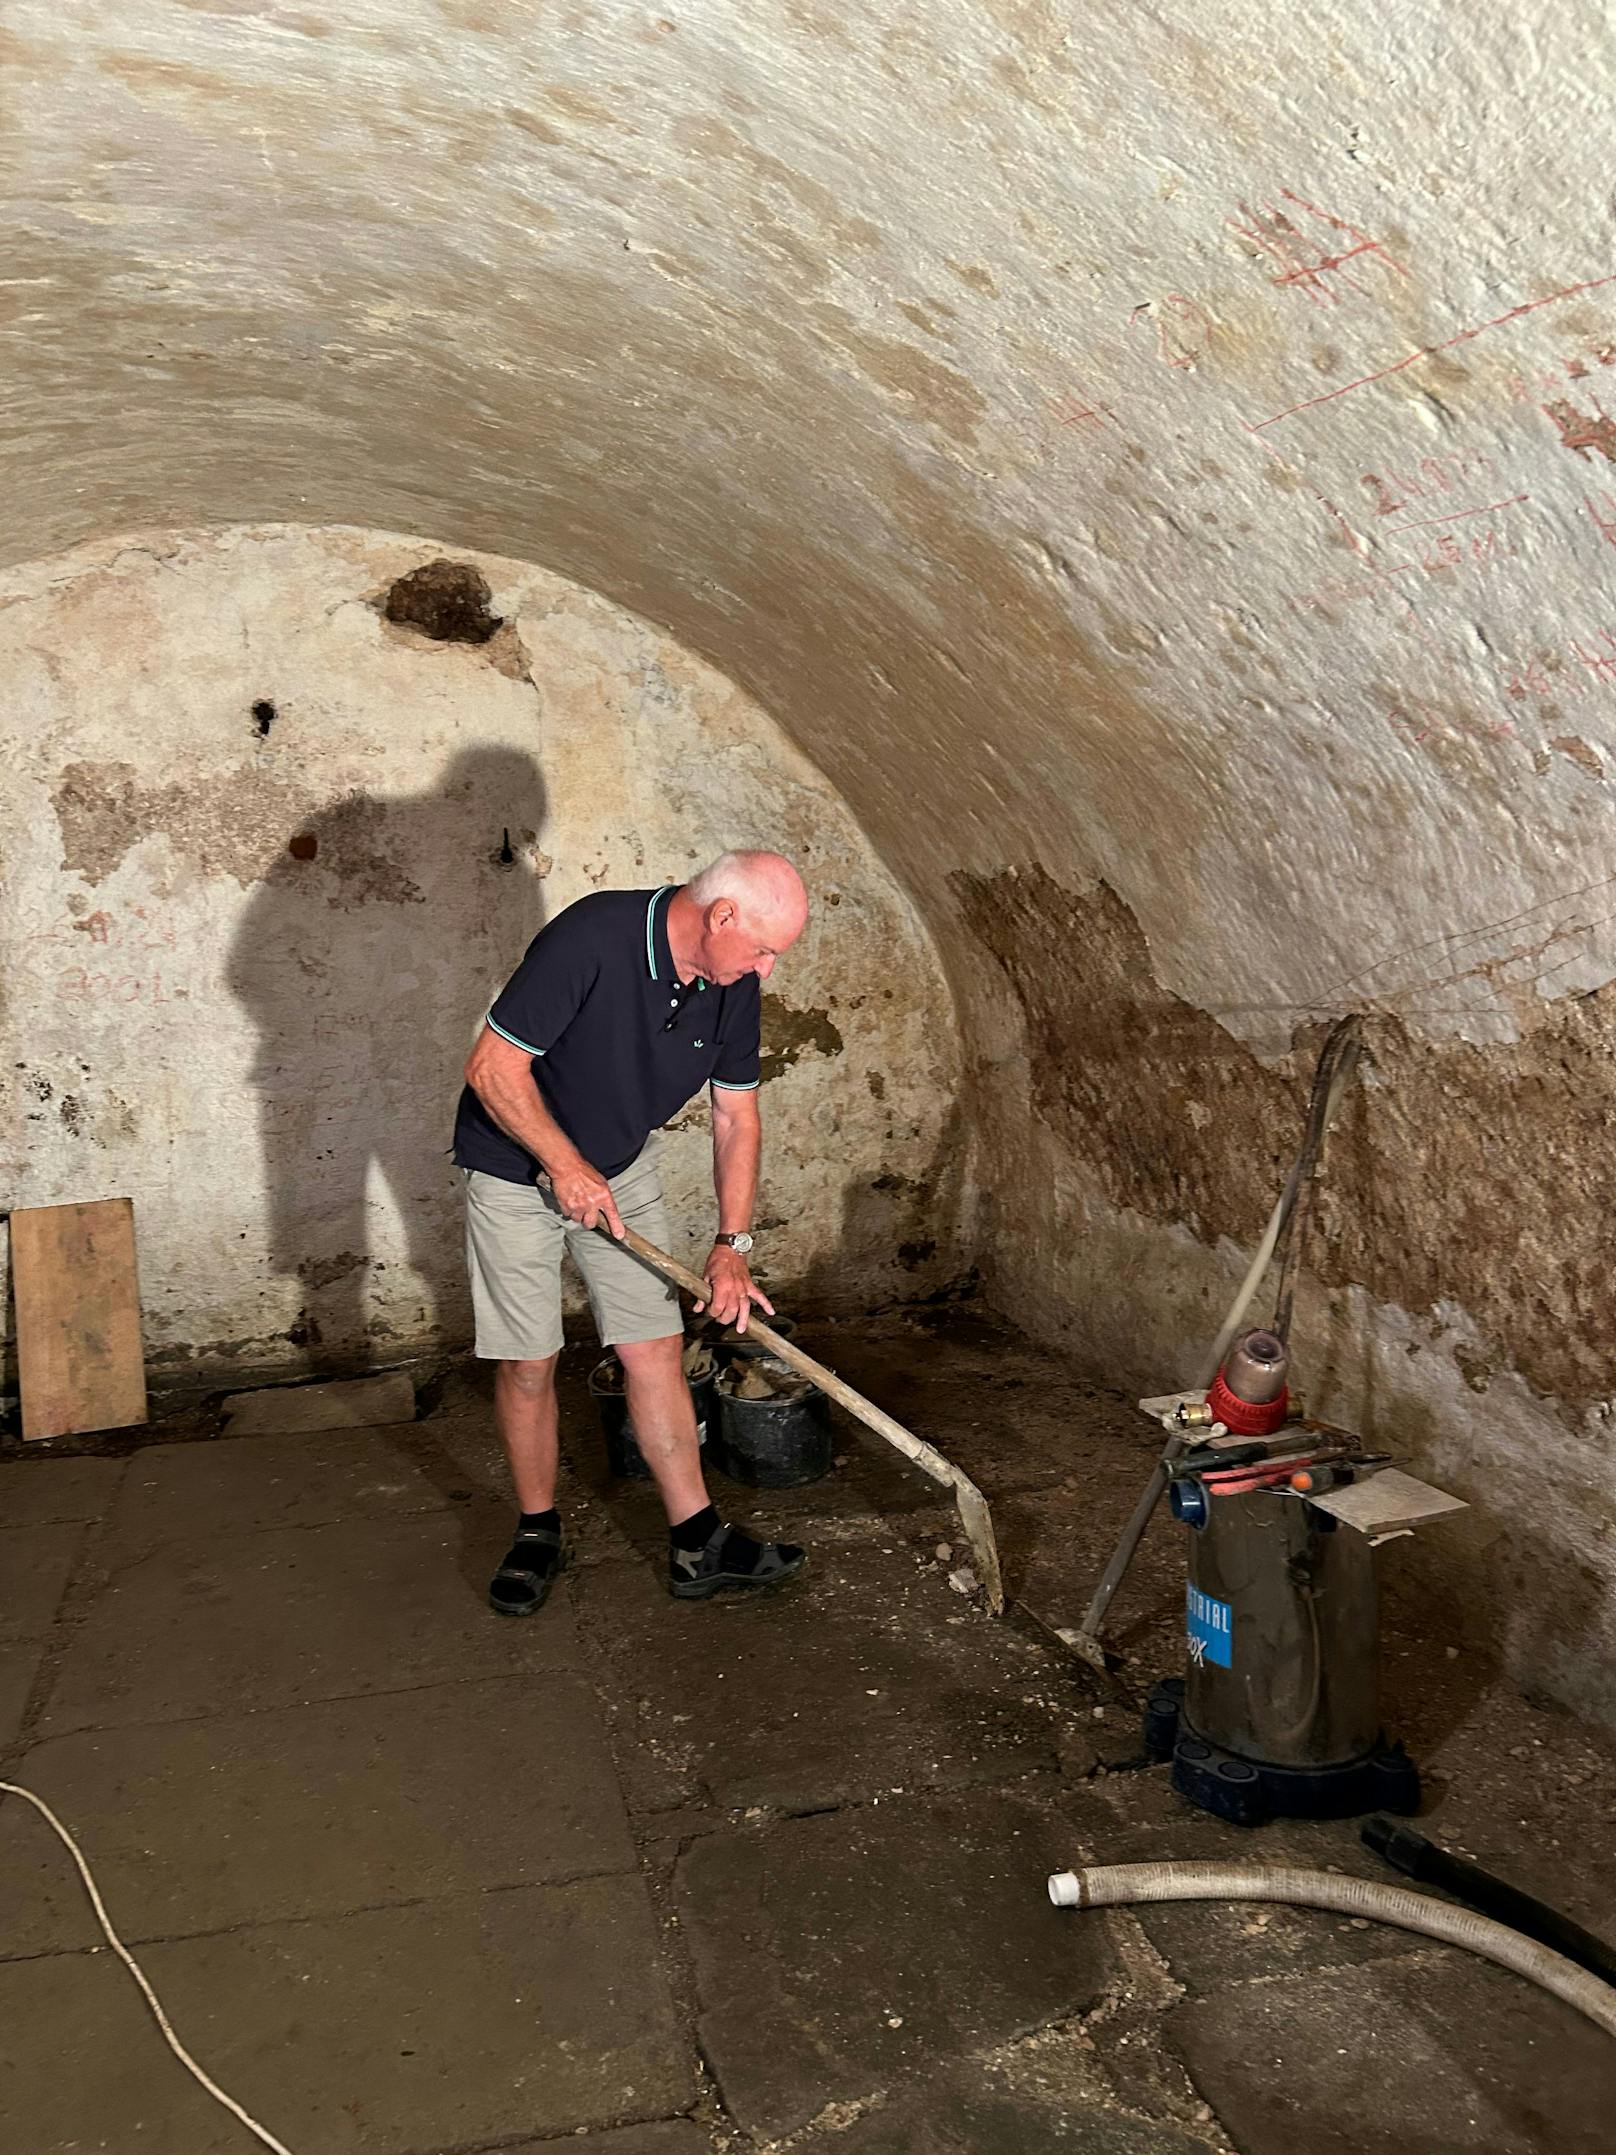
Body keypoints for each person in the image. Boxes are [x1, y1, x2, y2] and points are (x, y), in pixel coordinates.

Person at [454, 849, 811, 1616]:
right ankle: (537, 1529)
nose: (767, 969)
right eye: (762, 947)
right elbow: (491, 1067)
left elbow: (733, 1115)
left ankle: (696, 1539)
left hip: (619, 1162)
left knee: (652, 1344)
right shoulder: (593, 936)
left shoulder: (732, 982)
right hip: (515, 1164)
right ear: (721, 917)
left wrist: (732, 1247)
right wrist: (562, 1162)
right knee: (529, 1360)